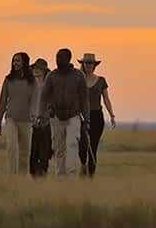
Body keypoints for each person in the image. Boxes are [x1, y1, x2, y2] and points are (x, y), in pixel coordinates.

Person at [37, 48, 89, 177]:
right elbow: (44, 97)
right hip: (56, 117)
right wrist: (40, 114)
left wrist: (86, 119)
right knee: (59, 148)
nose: (57, 60)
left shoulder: (78, 76)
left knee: (72, 144)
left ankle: (71, 174)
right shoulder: (52, 76)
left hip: (74, 116)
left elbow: (84, 98)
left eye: (61, 57)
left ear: (68, 59)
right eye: (56, 57)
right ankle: (60, 176)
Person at [0, 52, 35, 175]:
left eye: (18, 60)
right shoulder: (8, 80)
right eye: (14, 61)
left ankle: (22, 178)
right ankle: (12, 176)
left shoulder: (31, 81)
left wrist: (35, 115)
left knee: (24, 151)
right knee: (12, 146)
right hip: (11, 118)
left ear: (24, 62)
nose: (15, 63)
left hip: (27, 120)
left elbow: (35, 100)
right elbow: (2, 100)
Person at [78, 53, 115, 177]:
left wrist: (112, 115)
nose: (89, 65)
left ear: (94, 65)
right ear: (82, 64)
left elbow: (106, 99)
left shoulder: (101, 80)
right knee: (82, 145)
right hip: (81, 116)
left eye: (91, 63)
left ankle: (90, 176)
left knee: (93, 146)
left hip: (97, 116)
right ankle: (83, 165)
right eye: (86, 63)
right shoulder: (78, 79)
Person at [29, 57, 53, 177]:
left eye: (39, 69)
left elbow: (51, 104)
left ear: (44, 71)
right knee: (33, 151)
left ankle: (43, 174)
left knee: (44, 152)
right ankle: (33, 175)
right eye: (34, 68)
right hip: (32, 122)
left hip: (46, 123)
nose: (36, 71)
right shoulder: (30, 85)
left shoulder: (49, 86)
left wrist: (45, 116)